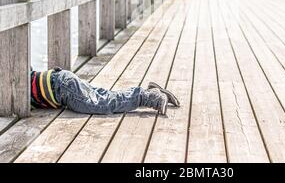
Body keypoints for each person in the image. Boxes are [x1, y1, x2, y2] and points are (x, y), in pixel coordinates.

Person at [30, 67, 180, 115]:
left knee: (103, 104)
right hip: (61, 79)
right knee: (106, 97)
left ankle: (147, 97)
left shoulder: (14, 82)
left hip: (61, 90)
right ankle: (150, 92)